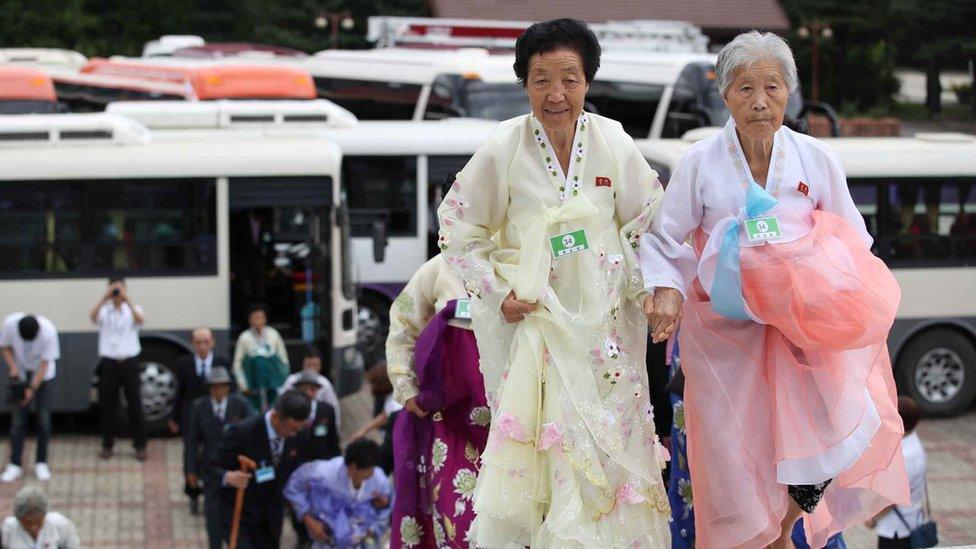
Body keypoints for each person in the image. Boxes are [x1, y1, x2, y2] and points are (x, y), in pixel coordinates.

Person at [639, 30, 909, 548]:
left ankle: (784, 530)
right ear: (724, 93)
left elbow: (854, 237)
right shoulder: (699, 162)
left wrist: (825, 282)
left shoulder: (814, 158)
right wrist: (666, 290)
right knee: (734, 445)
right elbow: (667, 239)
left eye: (772, 86)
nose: (760, 101)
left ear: (790, 91)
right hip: (726, 336)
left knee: (831, 424)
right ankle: (751, 535)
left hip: (801, 331)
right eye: (745, 88)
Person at [436, 18, 670, 547]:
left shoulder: (612, 140)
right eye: (542, 79)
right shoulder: (505, 146)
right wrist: (500, 291)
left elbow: (652, 219)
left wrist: (652, 287)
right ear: (525, 84)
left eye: (570, 78)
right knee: (548, 460)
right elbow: (457, 225)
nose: (556, 93)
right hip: (536, 336)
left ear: (588, 81)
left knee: (609, 462)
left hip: (606, 342)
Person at [383, 255, 486, 548]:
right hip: (452, 420)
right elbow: (403, 319)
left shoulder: (531, 253)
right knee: (460, 527)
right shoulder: (443, 266)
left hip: (526, 418)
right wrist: (405, 384)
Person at [213, 389, 311, 549]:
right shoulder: (243, 432)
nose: (295, 434)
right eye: (292, 429)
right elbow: (211, 466)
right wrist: (227, 477)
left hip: (270, 516)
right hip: (240, 513)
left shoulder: (298, 435)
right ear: (275, 417)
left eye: (299, 429)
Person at [171, 327, 237, 513]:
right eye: (198, 342)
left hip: (215, 418)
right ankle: (192, 491)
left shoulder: (221, 362)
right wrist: (174, 417)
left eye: (205, 342)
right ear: (193, 344)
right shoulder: (184, 363)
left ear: (212, 342)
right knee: (191, 453)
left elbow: (232, 389)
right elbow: (180, 392)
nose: (202, 346)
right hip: (191, 417)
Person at [184, 367, 251, 549]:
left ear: (228, 388)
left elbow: (252, 434)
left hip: (235, 469)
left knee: (235, 518)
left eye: (222, 387)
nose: (218, 391)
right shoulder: (199, 407)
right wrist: (190, 470)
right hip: (210, 470)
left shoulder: (240, 405)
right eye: (214, 387)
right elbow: (191, 441)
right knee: (212, 517)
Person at [284, 439, 393, 549]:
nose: (372, 472)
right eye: (369, 468)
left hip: (364, 533)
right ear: (353, 467)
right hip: (329, 531)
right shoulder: (325, 472)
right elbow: (294, 486)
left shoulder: (379, 479)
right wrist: (308, 520)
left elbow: (386, 506)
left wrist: (376, 524)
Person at [90, 277, 147, 461]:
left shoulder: (133, 309)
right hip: (109, 362)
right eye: (113, 290)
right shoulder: (104, 311)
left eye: (119, 289)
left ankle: (140, 445)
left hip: (129, 361)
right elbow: (92, 317)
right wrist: (103, 298)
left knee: (135, 404)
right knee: (108, 404)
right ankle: (107, 444)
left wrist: (127, 300)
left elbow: (140, 320)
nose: (116, 293)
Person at [1, 313, 59, 483]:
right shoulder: (10, 324)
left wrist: (32, 389)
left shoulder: (48, 332)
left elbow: (45, 363)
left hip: (44, 376)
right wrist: (13, 368)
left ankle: (41, 463)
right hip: (21, 373)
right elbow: (5, 346)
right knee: (18, 420)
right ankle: (14, 464)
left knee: (43, 418)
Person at [869, 397, 929, 549]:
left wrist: (872, 518)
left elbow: (891, 497)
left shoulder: (905, 456)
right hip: (911, 520)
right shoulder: (913, 443)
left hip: (896, 528)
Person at [232, 303, 290, 412]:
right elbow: (237, 363)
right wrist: (243, 385)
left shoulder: (274, 334)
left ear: (265, 319)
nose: (258, 321)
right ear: (250, 320)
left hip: (273, 383)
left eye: (260, 317)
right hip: (253, 383)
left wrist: (283, 380)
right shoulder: (244, 337)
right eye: (255, 318)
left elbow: (283, 358)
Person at [349, 362, 401, 475]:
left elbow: (389, 449)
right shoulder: (392, 396)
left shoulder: (396, 406)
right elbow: (385, 415)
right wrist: (362, 431)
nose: (370, 388)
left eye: (373, 384)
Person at [1, 484, 80, 549]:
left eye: (37, 521)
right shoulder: (7, 529)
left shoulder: (61, 525)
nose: (33, 527)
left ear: (44, 515)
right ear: (19, 519)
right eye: (28, 523)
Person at [278, 348, 341, 427]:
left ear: (320, 366)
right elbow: (281, 403)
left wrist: (336, 427)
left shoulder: (325, 384)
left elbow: (334, 408)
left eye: (315, 365)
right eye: (309, 365)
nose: (311, 368)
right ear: (303, 364)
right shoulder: (292, 381)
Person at [293, 369, 341, 461]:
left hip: (321, 461)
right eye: (304, 389)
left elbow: (333, 440)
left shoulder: (327, 410)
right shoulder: (291, 410)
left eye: (312, 389)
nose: (308, 393)